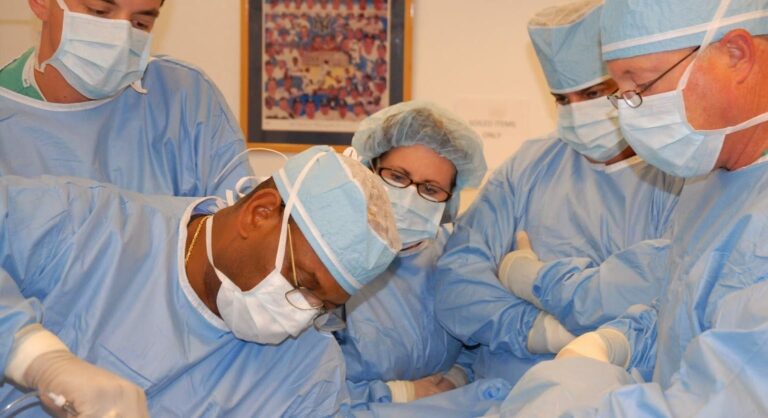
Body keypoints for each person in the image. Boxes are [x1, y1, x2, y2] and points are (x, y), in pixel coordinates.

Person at [497, 0, 768, 416]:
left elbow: (718, 402)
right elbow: (684, 307)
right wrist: (619, 341)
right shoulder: (710, 180)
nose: (626, 113)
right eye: (619, 94)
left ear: (736, 55)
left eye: (640, 88)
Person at [0, 146, 401, 416]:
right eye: (303, 283)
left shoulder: (308, 372)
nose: (300, 317)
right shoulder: (89, 227)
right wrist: (37, 357)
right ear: (260, 213)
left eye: (324, 307)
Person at [435, 0, 684, 386]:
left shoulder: (677, 173)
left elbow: (655, 291)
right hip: (498, 389)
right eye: (562, 100)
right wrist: (537, 330)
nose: (576, 111)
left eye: (592, 93)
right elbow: (457, 282)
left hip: (610, 393)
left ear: (627, 83)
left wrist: (527, 277)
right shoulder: (530, 167)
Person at [0, 0, 253, 198]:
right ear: (40, 2)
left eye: (140, 23)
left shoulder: (186, 101)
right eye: (99, 12)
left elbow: (244, 236)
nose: (121, 39)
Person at [335, 101, 489, 412]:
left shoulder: (456, 259)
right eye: (397, 176)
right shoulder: (328, 257)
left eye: (431, 189)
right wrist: (397, 395)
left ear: (450, 200)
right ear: (368, 169)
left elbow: (481, 342)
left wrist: (455, 379)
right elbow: (299, 382)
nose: (408, 196)